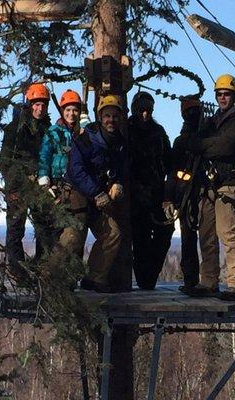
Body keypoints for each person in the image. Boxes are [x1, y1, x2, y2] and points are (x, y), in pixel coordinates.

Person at [186, 74, 235, 301]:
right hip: (211, 184)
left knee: (227, 234)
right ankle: (209, 281)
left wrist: (201, 146)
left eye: (226, 94)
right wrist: (202, 144)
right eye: (220, 94)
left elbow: (222, 147)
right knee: (207, 235)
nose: (222, 98)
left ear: (234, 96)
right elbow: (200, 142)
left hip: (227, 185)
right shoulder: (214, 121)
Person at [65, 95, 126, 293]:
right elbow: (76, 171)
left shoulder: (119, 143)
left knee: (112, 233)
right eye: (107, 116)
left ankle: (94, 277)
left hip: (99, 197)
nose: (111, 120)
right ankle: (57, 280)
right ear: (100, 117)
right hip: (79, 194)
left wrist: (117, 184)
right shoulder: (86, 139)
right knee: (73, 236)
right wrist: (96, 193)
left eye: (115, 116)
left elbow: (120, 169)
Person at [0, 82, 51, 281]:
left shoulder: (46, 129)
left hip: (39, 185)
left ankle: (40, 271)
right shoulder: (15, 129)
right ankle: (17, 272)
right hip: (18, 187)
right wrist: (12, 188)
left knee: (43, 228)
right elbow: (5, 161)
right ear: (30, 104)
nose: (40, 108)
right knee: (15, 230)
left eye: (43, 105)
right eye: (36, 104)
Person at [128, 91, 173, 290]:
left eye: (148, 111)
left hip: (156, 191)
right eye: (141, 110)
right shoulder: (126, 129)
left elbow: (169, 160)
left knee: (166, 230)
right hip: (134, 194)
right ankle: (145, 282)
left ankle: (149, 278)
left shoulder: (158, 132)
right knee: (140, 238)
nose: (145, 114)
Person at [163, 96, 202, 294]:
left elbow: (171, 172)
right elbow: (172, 171)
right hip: (187, 195)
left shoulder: (204, 138)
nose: (192, 116)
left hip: (199, 194)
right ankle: (192, 281)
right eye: (190, 113)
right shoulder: (182, 143)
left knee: (197, 238)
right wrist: (169, 197)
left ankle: (195, 281)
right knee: (189, 237)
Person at [37, 89, 83, 250]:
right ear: (62, 111)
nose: (71, 114)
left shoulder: (81, 133)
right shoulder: (54, 132)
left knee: (74, 232)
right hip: (57, 185)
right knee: (55, 230)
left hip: (76, 187)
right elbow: (44, 156)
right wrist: (44, 181)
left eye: (75, 110)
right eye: (68, 110)